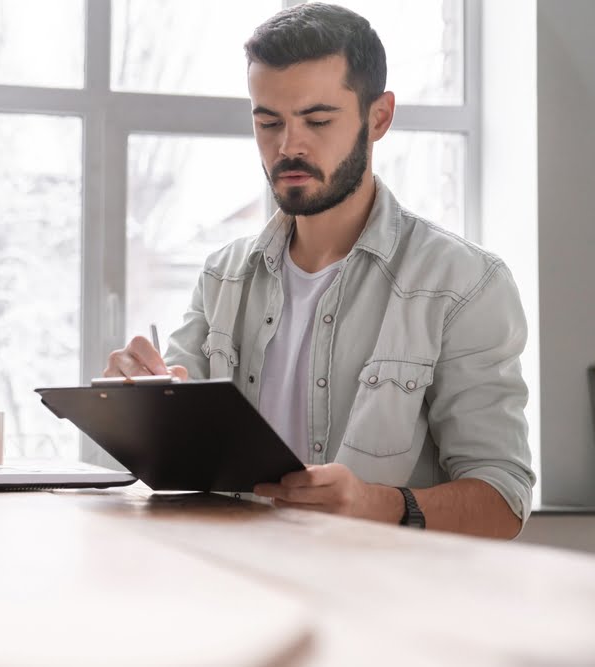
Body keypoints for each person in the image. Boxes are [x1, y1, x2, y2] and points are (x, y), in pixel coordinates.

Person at [103, 3, 534, 539]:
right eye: (268, 122)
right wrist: (142, 405)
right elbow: (176, 460)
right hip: (240, 593)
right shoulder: (222, 277)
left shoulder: (465, 284)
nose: (288, 147)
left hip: (382, 606)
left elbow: (504, 500)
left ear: (379, 117)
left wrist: (377, 503)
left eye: (318, 120)